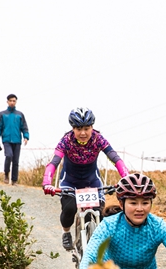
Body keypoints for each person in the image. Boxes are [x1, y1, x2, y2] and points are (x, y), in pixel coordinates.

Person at [42, 107, 129, 250]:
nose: (83, 133)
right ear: (72, 128)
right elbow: (54, 162)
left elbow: (114, 158)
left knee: (99, 214)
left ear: (92, 127)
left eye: (87, 128)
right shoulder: (66, 141)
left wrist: (126, 177)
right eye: (78, 128)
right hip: (69, 182)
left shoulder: (98, 139)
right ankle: (66, 233)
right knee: (69, 208)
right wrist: (47, 182)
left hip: (92, 181)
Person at [0, 94, 29, 185]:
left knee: (16, 160)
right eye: (11, 101)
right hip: (6, 140)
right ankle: (6, 175)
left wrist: (26, 136)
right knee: (9, 156)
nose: (12, 102)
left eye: (14, 101)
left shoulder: (20, 115)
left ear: (16, 102)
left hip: (17, 140)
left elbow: (24, 127)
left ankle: (14, 180)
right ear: (7, 102)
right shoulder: (2, 114)